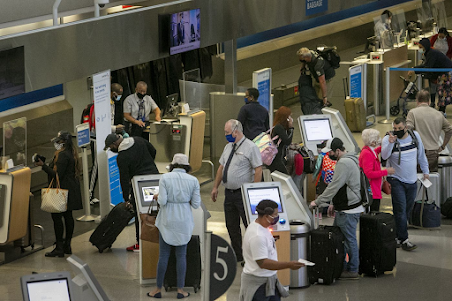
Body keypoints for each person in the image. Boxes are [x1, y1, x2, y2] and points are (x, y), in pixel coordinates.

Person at [147, 154, 201, 299]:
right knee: (181, 256)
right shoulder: (193, 180)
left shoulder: (165, 178)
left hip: (167, 219)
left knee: (163, 255)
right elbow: (196, 204)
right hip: (184, 220)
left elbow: (163, 201)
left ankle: (157, 289)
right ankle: (180, 291)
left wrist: (158, 196)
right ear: (186, 166)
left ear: (172, 165)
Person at [310, 138, 363, 279]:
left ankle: (353, 269)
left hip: (348, 209)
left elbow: (334, 185)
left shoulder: (344, 163)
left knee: (349, 239)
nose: (329, 155)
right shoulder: (351, 158)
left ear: (338, 151)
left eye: (331, 152)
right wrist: (333, 203)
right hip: (349, 206)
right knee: (341, 238)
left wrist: (318, 201)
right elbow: (342, 185)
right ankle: (343, 266)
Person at [211, 119, 263, 262]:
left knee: (249, 225)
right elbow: (221, 167)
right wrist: (215, 187)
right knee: (231, 226)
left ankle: (253, 255)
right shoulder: (228, 147)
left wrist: (254, 190)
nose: (225, 135)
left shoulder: (250, 147)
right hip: (229, 193)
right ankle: (239, 256)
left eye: (227, 132)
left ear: (236, 131)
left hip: (243, 193)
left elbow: (258, 169)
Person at [104, 133, 159, 252]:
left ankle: (140, 242)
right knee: (155, 208)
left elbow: (123, 178)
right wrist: (148, 164)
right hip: (154, 177)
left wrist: (126, 198)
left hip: (139, 183)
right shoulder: (138, 139)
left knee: (140, 212)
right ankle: (157, 238)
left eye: (110, 147)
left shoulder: (122, 157)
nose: (112, 150)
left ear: (115, 144)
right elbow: (153, 150)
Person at [239, 200, 304, 301]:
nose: (277, 217)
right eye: (275, 215)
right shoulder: (257, 235)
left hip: (270, 280)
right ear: (266, 216)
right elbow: (263, 263)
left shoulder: (262, 227)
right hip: (258, 285)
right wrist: (289, 265)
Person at [381, 117, 429, 251]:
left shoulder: (415, 136)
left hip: (412, 180)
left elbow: (421, 155)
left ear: (406, 128)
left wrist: (426, 171)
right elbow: (384, 156)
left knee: (405, 211)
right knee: (400, 210)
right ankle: (404, 239)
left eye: (400, 129)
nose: (396, 131)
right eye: (394, 129)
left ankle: (396, 235)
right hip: (396, 180)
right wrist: (391, 143)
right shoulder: (388, 138)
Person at [36, 131, 82, 257]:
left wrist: (43, 166)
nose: (56, 143)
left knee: (57, 218)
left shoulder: (62, 155)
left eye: (58, 141)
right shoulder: (72, 153)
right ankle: (67, 245)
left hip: (62, 190)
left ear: (63, 142)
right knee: (68, 216)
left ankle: (59, 247)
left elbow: (57, 174)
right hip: (71, 189)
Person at [406, 89, 452, 172]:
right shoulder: (438, 114)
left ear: (417, 100)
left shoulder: (412, 113)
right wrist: (443, 146)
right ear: (429, 101)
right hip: (433, 153)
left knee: (418, 179)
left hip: (417, 153)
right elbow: (449, 129)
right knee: (431, 179)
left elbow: (408, 129)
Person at [408, 38, 452, 114]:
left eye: (421, 47)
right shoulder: (429, 53)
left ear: (425, 46)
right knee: (443, 92)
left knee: (443, 92)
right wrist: (414, 68)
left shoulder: (432, 53)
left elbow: (428, 67)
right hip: (443, 73)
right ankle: (441, 110)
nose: (420, 49)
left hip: (446, 74)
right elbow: (426, 65)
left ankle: (442, 111)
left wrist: (415, 70)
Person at [359, 129, 395, 212]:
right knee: (373, 212)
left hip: (374, 189)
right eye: (378, 138)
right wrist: (386, 171)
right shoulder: (367, 154)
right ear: (372, 141)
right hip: (371, 192)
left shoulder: (369, 150)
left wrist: (388, 144)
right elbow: (368, 173)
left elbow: (376, 151)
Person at [267, 106, 294, 174]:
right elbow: (288, 141)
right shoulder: (279, 127)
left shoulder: (280, 127)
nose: (290, 119)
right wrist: (291, 128)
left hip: (278, 158)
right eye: (289, 117)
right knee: (285, 180)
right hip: (276, 159)